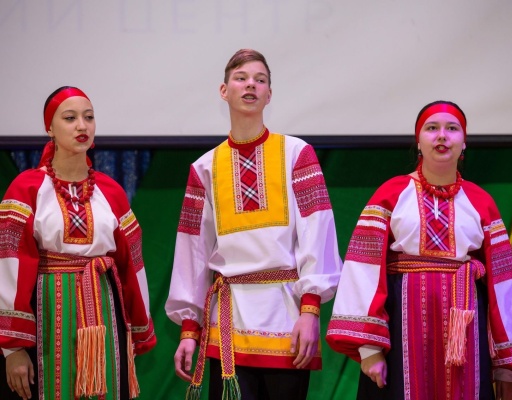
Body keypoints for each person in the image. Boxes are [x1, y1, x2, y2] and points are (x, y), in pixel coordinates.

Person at [326, 101, 512, 400]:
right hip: (402, 330)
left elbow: (503, 284)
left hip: (467, 332)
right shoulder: (391, 194)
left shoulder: (481, 202)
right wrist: (369, 349)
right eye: (432, 128)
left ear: (464, 142)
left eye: (452, 128)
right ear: (418, 141)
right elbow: (363, 269)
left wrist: (506, 367)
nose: (442, 135)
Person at [165, 48, 342, 400]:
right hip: (227, 322)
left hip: (287, 318)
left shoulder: (297, 154)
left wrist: (310, 311)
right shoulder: (204, 168)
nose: (251, 85)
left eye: (260, 80)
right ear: (224, 90)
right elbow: (192, 250)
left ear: (269, 94)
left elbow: (317, 231)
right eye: (241, 78)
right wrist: (189, 329)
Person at [0, 86, 157, 400]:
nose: (82, 126)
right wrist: (13, 348)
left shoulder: (110, 192)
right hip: (47, 315)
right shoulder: (27, 188)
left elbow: (132, 265)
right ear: (50, 128)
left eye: (89, 117)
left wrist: (138, 328)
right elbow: (10, 266)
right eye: (70, 118)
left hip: (104, 312)